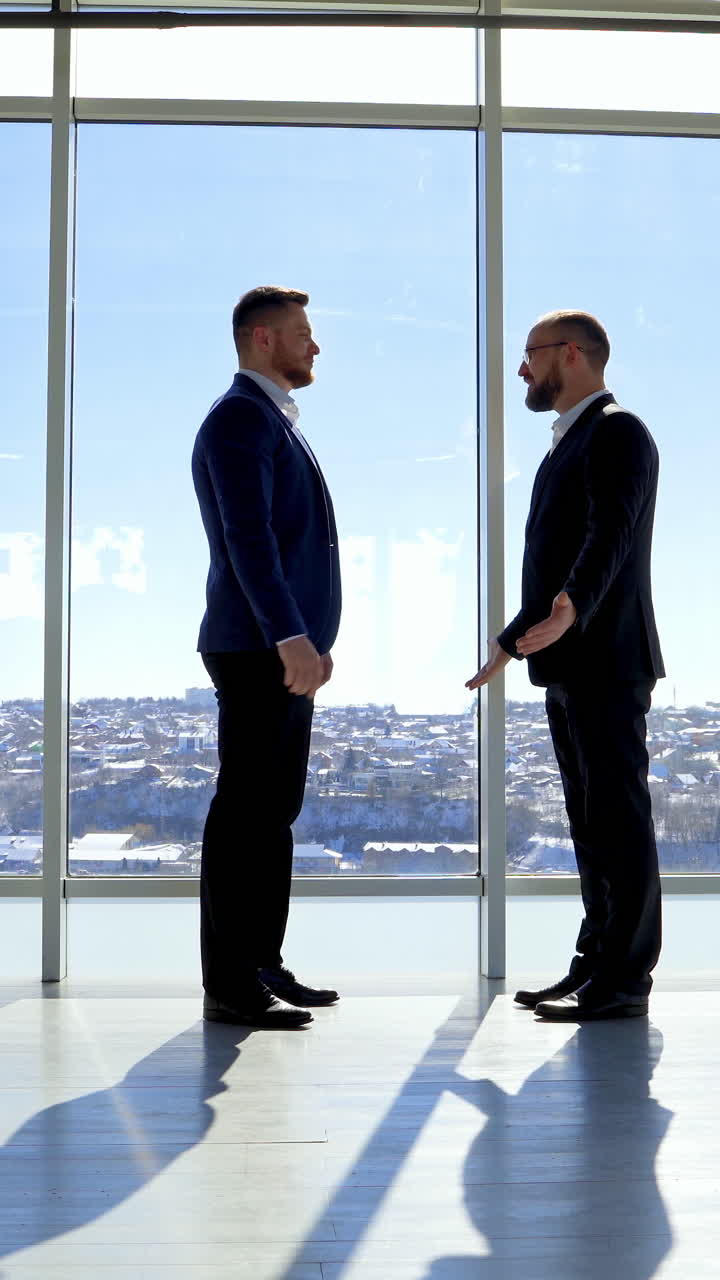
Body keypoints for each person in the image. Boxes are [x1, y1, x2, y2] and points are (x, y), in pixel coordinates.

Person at [466, 310, 664, 1021]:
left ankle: (624, 982)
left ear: (571, 355)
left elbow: (609, 537)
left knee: (618, 819)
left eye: (531, 355)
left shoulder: (619, 432)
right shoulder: (564, 446)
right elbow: (556, 561)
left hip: (608, 661)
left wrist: (569, 608)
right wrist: (512, 638)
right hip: (570, 661)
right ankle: (594, 965)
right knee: (590, 820)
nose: (522, 369)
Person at [192, 286, 342, 1028]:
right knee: (247, 813)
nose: (313, 347)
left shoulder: (272, 420)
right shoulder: (238, 420)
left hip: (277, 647)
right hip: (257, 647)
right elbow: (248, 540)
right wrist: (291, 637)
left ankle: (261, 963)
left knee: (271, 814)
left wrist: (309, 640)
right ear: (261, 339)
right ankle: (231, 983)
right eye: (301, 334)